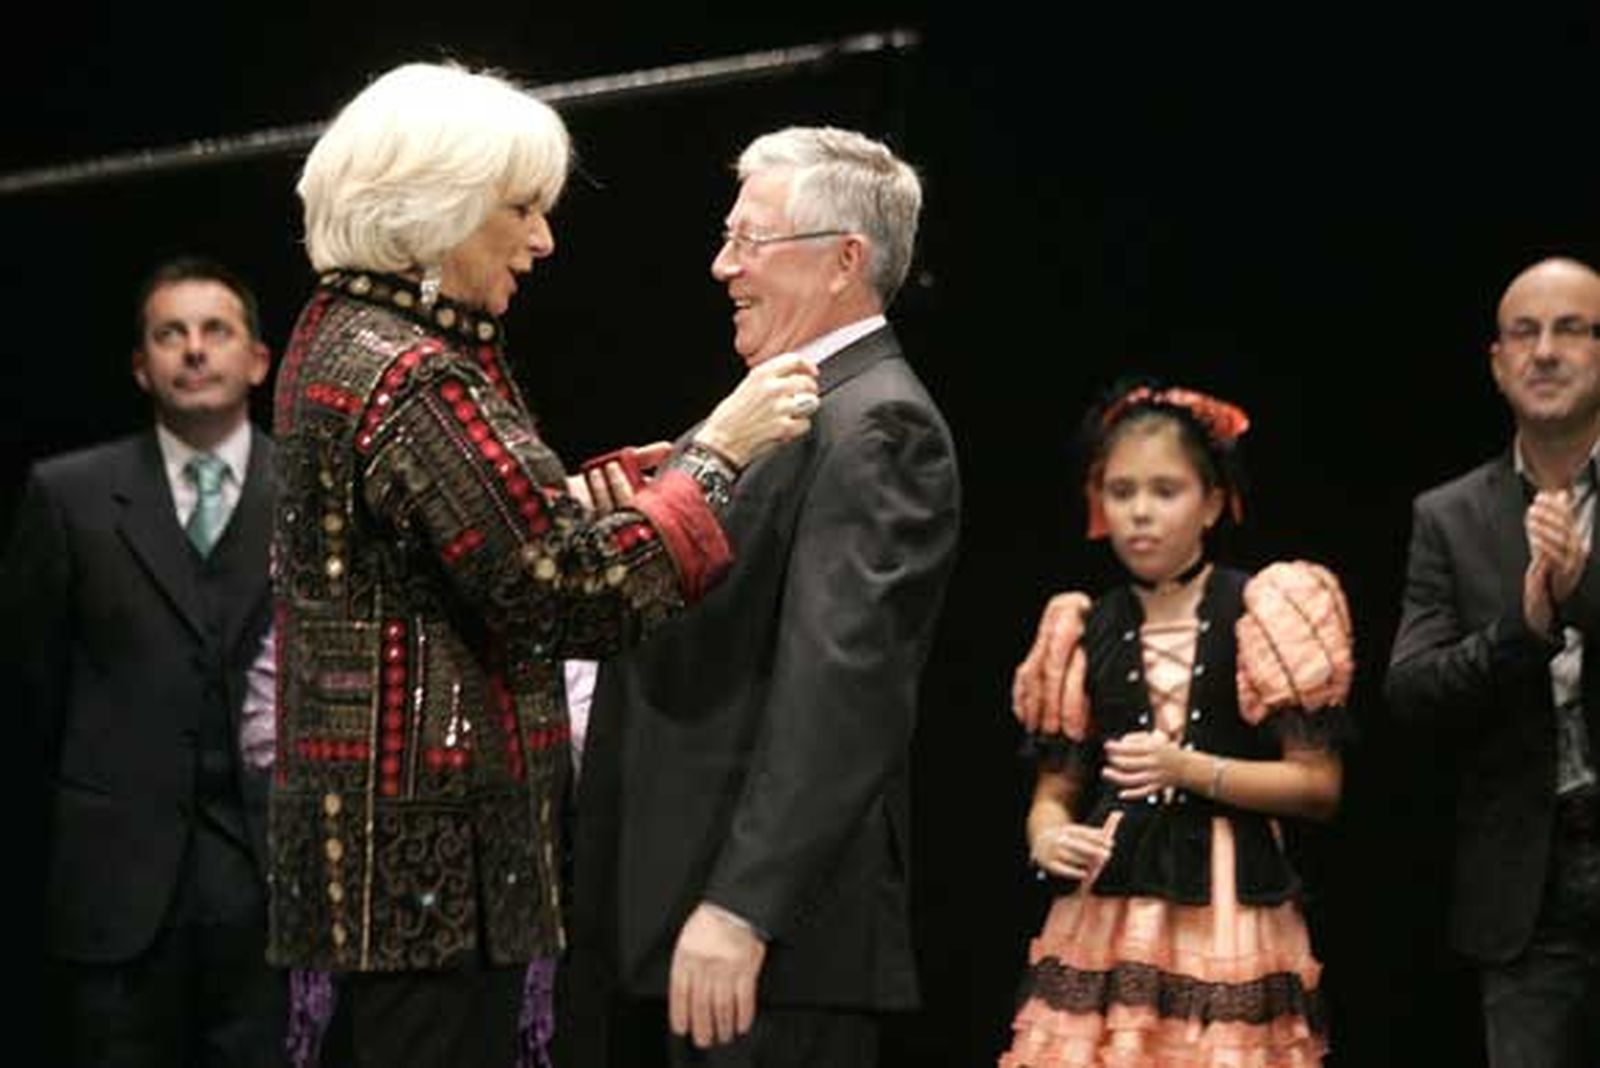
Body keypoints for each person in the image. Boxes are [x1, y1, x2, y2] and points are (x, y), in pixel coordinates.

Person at [267, 63, 818, 1068]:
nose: (542, 240)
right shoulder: (412, 369)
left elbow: (456, 540)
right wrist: (716, 455)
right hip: (428, 885)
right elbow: (563, 593)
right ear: (434, 209)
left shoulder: (341, 334)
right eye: (519, 210)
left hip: (384, 875)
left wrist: (581, 498)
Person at [564, 125, 961, 1068]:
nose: (720, 266)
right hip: (683, 918)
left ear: (844, 262)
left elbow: (842, 693)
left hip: (767, 945)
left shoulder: (880, 425)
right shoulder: (787, 402)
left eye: (750, 241)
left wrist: (744, 903)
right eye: (726, 235)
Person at [1001, 384, 1348, 1067]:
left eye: (1166, 491)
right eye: (1121, 491)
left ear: (1212, 502)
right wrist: (1046, 836)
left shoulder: (1262, 609)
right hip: (1110, 912)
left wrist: (1190, 769)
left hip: (1228, 908)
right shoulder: (1082, 625)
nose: (1140, 513)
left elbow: (1318, 786)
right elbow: (1054, 790)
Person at [2, 257, 286, 1066]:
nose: (194, 350)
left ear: (257, 360)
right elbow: (30, 678)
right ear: (141, 365)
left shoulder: (311, 491)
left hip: (267, 879)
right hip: (116, 886)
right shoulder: (69, 496)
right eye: (171, 334)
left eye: (216, 331)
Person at [1386, 256, 1600, 1068]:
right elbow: (1413, 690)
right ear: (1498, 363)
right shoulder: (1448, 515)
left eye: (1572, 329)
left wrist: (1584, 595)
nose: (1545, 351)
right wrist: (1530, 622)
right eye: (1524, 332)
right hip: (1526, 892)